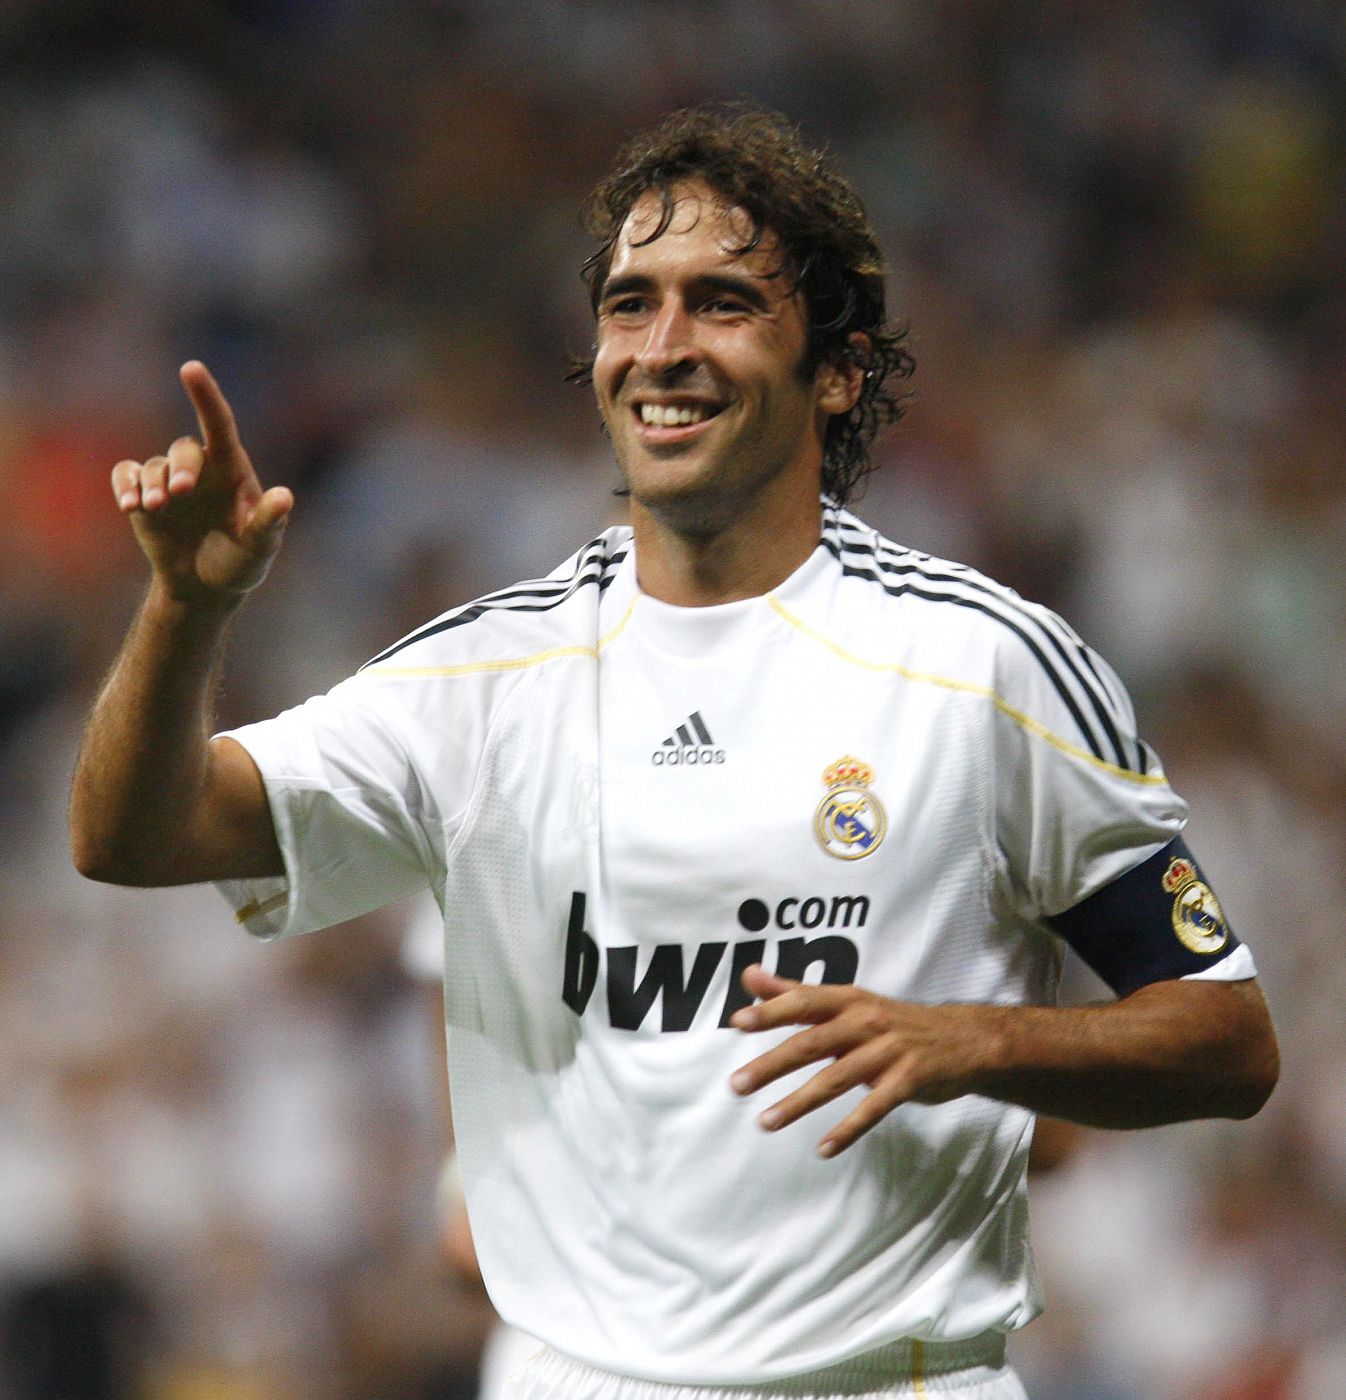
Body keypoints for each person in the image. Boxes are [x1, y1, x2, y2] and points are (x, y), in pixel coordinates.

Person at [71, 105, 1278, 1400]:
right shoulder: (481, 682)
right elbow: (136, 839)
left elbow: (1222, 1037)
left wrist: (972, 1041)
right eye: (630, 304)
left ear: (836, 369)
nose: (662, 347)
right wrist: (185, 611)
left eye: (720, 304)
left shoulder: (987, 666)